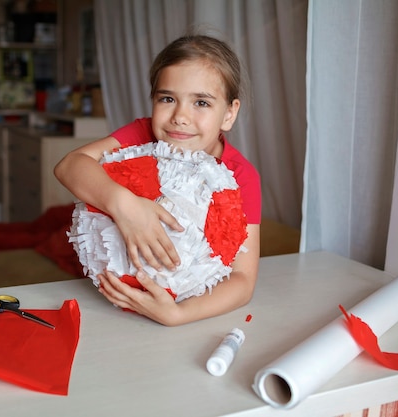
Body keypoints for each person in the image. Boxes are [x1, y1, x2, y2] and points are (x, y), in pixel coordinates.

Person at [54, 33, 261, 326]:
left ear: (229, 114)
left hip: (191, 320)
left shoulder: (240, 176)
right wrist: (126, 207)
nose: (180, 116)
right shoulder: (142, 135)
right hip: (112, 308)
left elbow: (243, 280)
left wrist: (178, 314)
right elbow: (69, 165)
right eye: (167, 99)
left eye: (201, 103)